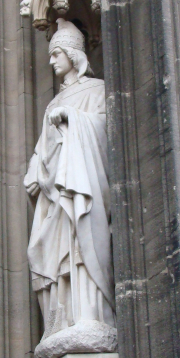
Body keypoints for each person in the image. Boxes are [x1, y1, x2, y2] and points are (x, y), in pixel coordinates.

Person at [24, 19, 114, 339]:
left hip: (81, 186)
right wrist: (34, 171)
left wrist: (73, 119)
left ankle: (89, 314)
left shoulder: (97, 90)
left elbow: (107, 130)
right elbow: (43, 148)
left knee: (80, 240)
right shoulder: (53, 102)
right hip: (54, 193)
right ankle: (63, 320)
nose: (51, 61)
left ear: (73, 55)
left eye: (56, 54)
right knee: (49, 251)